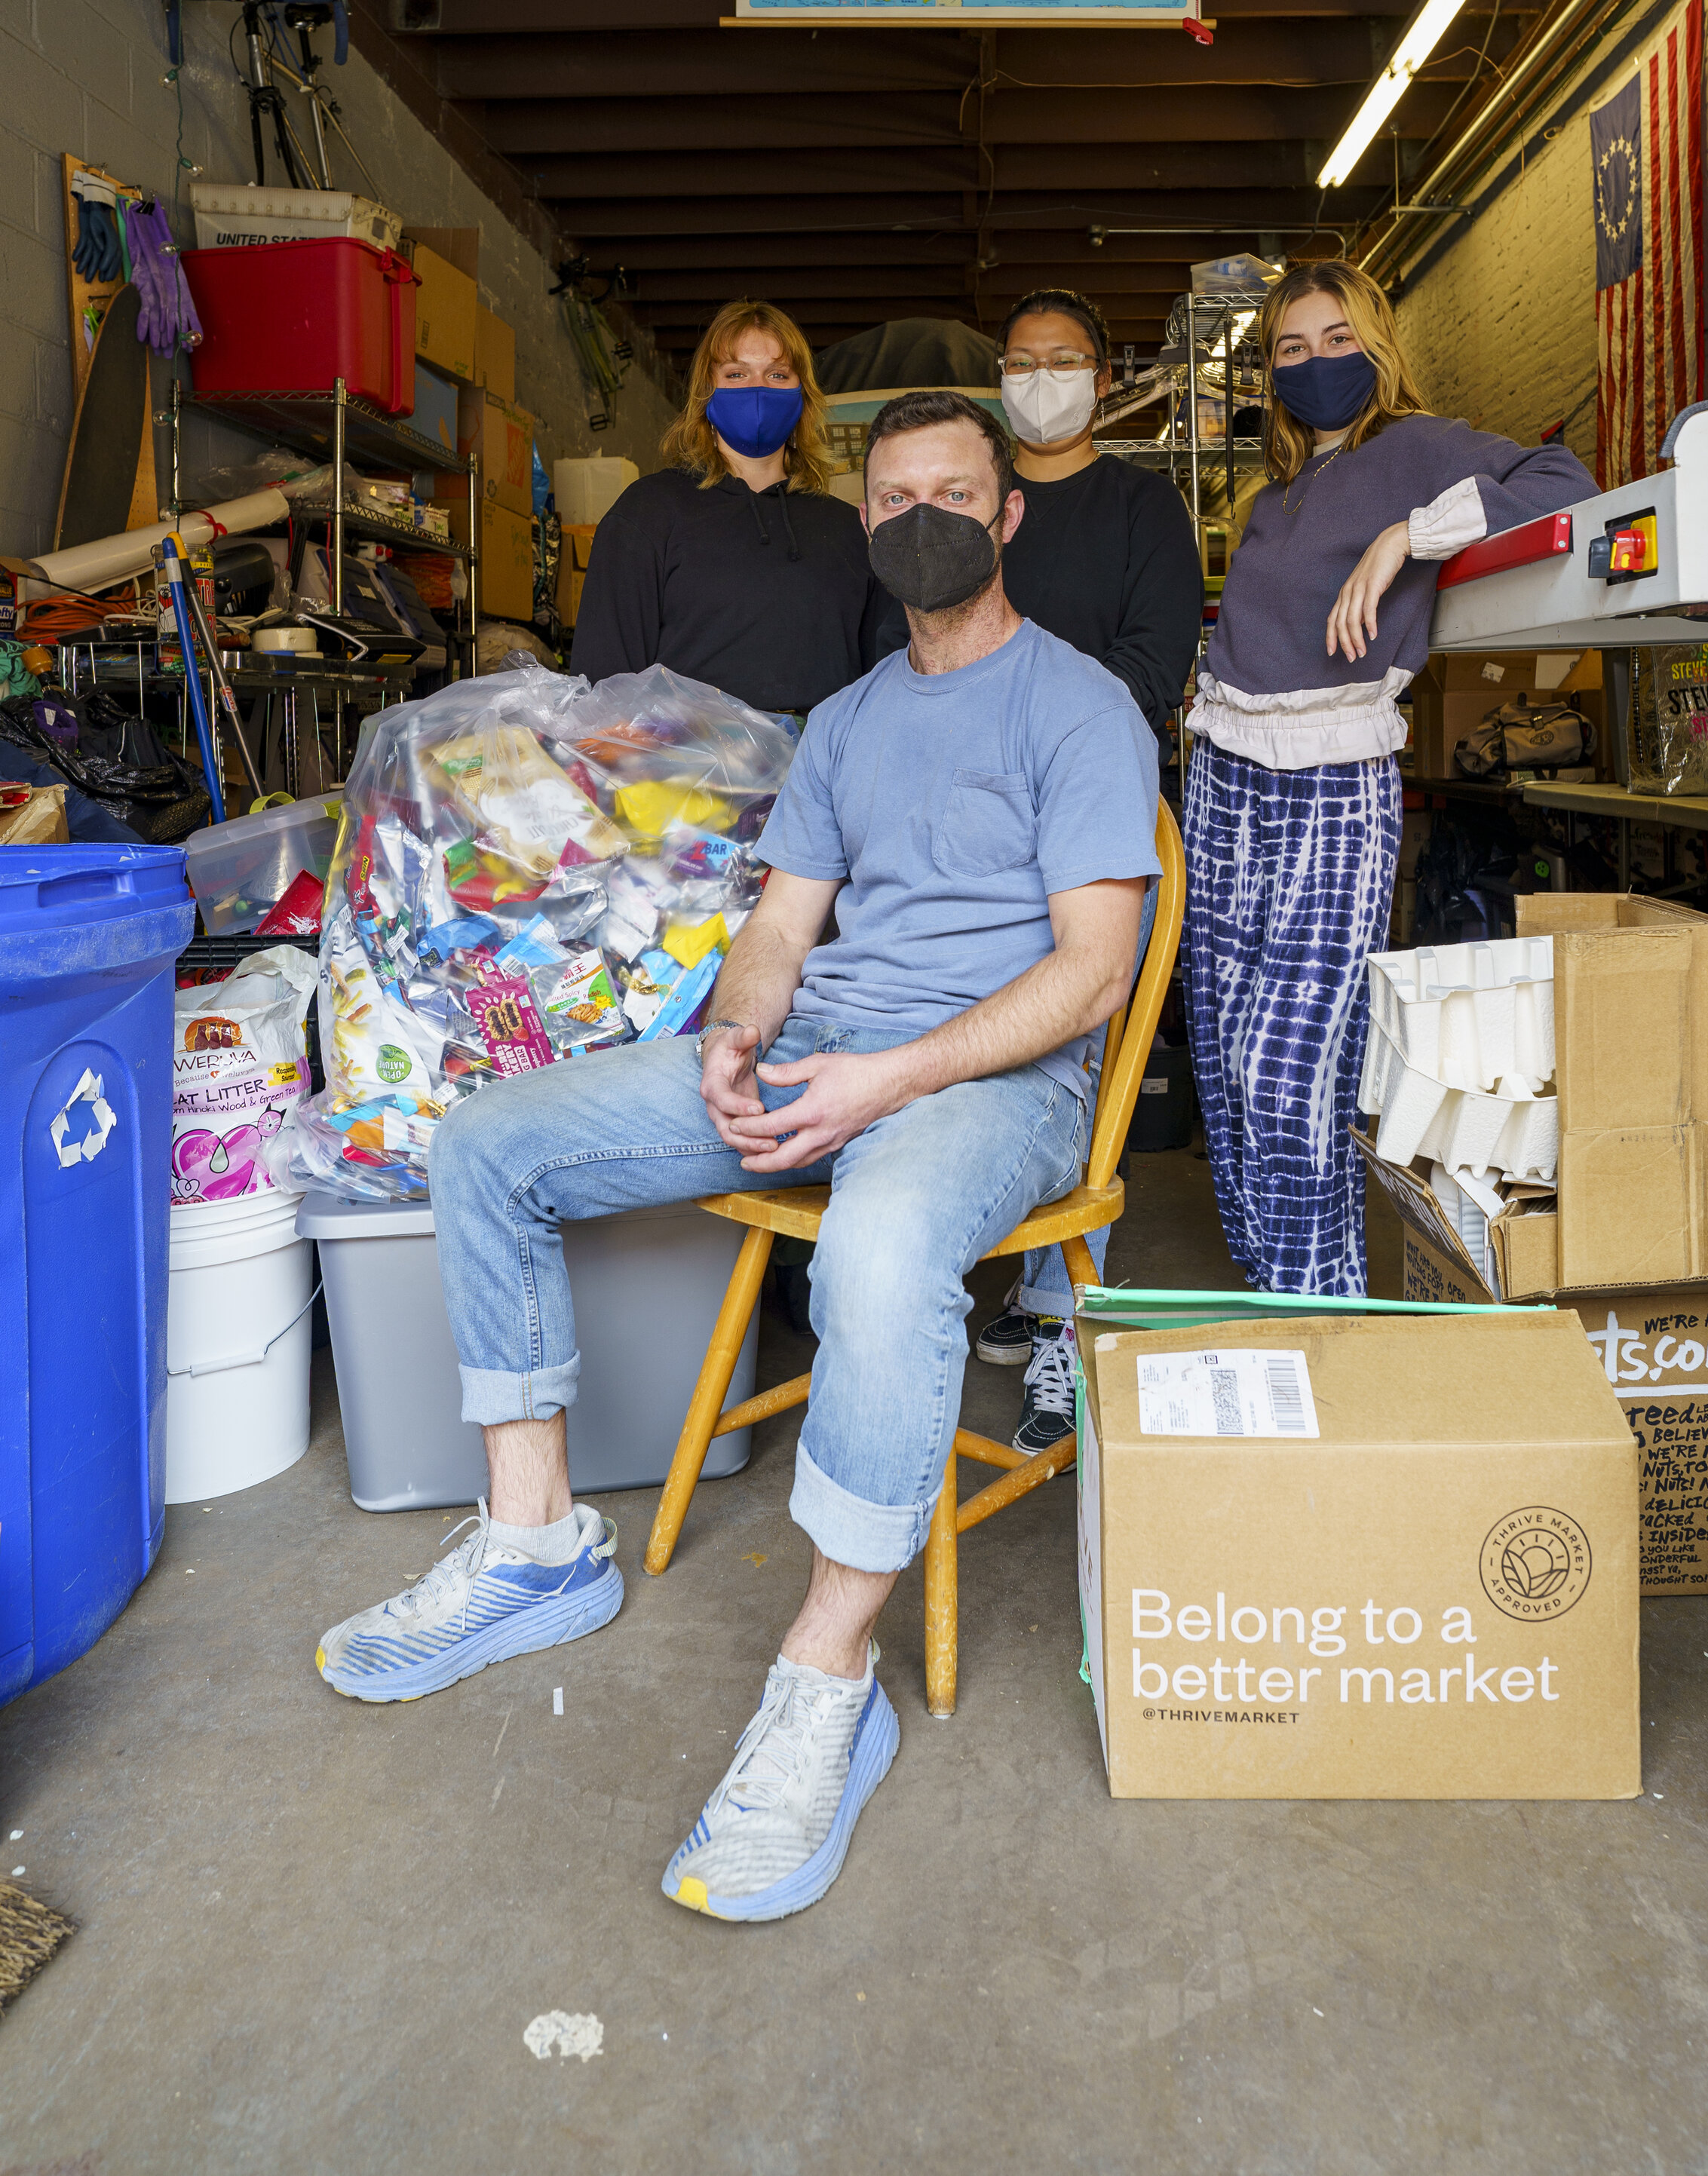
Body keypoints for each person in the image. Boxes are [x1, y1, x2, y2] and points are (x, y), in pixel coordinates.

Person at [314, 391, 1160, 1926]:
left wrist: (879, 1082)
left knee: (881, 1252)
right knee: (492, 1140)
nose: (921, 523)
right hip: (815, 1059)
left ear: (1007, 514)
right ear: (865, 522)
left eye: (952, 496)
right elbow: (777, 928)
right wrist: (736, 1032)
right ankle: (530, 1544)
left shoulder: (1078, 708)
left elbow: (1094, 972)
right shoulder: (841, 726)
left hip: (991, 1083)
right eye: (892, 499)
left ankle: (827, 1676)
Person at [1184, 257, 1596, 1297]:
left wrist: (1408, 534)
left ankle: (1322, 1305)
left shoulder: (1418, 448)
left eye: (1336, 339)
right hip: (1226, 769)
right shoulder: (1271, 494)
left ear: (1375, 345)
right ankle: (1268, 1280)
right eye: (1290, 347)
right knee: (1227, 1059)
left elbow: (1566, 481)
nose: (1315, 362)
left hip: (1335, 774)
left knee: (1292, 1072)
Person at [965, 288, 1202, 1433]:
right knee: (992, 1046)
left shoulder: (1141, 509)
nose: (1042, 377)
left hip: (1097, 821)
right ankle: (1035, 1270)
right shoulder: (974, 509)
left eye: (1065, 359)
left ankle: (1066, 1314)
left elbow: (1156, 666)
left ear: (1106, 380)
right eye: (1021, 359)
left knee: (1089, 1055)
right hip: (971, 830)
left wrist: (1015, 730)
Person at [571, 299, 877, 714]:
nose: (758, 390)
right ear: (705, 392)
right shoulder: (648, 513)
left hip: (820, 773)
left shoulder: (853, 531)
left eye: (777, 374)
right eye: (736, 374)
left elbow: (883, 684)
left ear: (803, 395)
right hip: (688, 773)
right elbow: (603, 686)